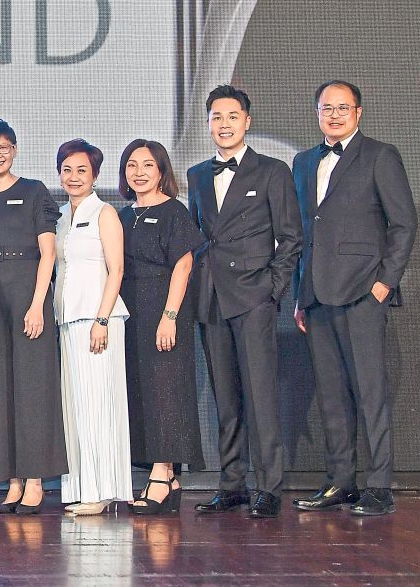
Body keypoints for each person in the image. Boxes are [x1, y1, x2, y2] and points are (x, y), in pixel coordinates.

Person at [291, 80, 417, 517]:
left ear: (358, 113)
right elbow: (303, 235)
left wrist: (384, 283)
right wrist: (299, 294)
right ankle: (340, 481)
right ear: (317, 112)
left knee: (370, 392)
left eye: (344, 108)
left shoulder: (381, 156)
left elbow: (403, 224)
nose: (335, 115)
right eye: (327, 107)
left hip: (364, 291)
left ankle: (379, 485)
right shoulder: (304, 161)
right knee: (330, 394)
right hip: (317, 295)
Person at [185, 85, 301, 519]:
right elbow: (198, 235)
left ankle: (268, 486)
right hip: (211, 296)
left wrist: (272, 289)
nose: (224, 124)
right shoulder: (197, 173)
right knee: (225, 397)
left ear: (247, 121)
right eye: (216, 117)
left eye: (232, 116)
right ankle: (231, 484)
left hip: (253, 295)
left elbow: (291, 238)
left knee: (261, 394)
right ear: (209, 123)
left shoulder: (272, 170)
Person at [0, 119, 66, 514]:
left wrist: (38, 303)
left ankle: (36, 479)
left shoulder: (33, 191)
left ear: (14, 149)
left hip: (28, 291)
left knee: (32, 388)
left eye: (2, 147)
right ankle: (10, 479)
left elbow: (49, 253)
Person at [116, 139, 205, 514]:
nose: (139, 172)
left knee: (166, 389)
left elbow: (183, 266)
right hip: (130, 310)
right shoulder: (121, 215)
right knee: (141, 392)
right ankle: (167, 478)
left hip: (164, 310)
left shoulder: (173, 211)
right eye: (132, 165)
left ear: (162, 171)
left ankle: (162, 470)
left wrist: (169, 316)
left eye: (148, 165)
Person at [54, 139, 132, 515]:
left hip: (98, 322)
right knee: (78, 407)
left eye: (81, 170)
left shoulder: (105, 214)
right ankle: (83, 487)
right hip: (68, 321)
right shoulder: (59, 217)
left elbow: (116, 269)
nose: (73, 177)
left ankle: (103, 490)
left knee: (100, 404)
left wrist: (101, 319)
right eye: (67, 170)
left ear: (95, 175)